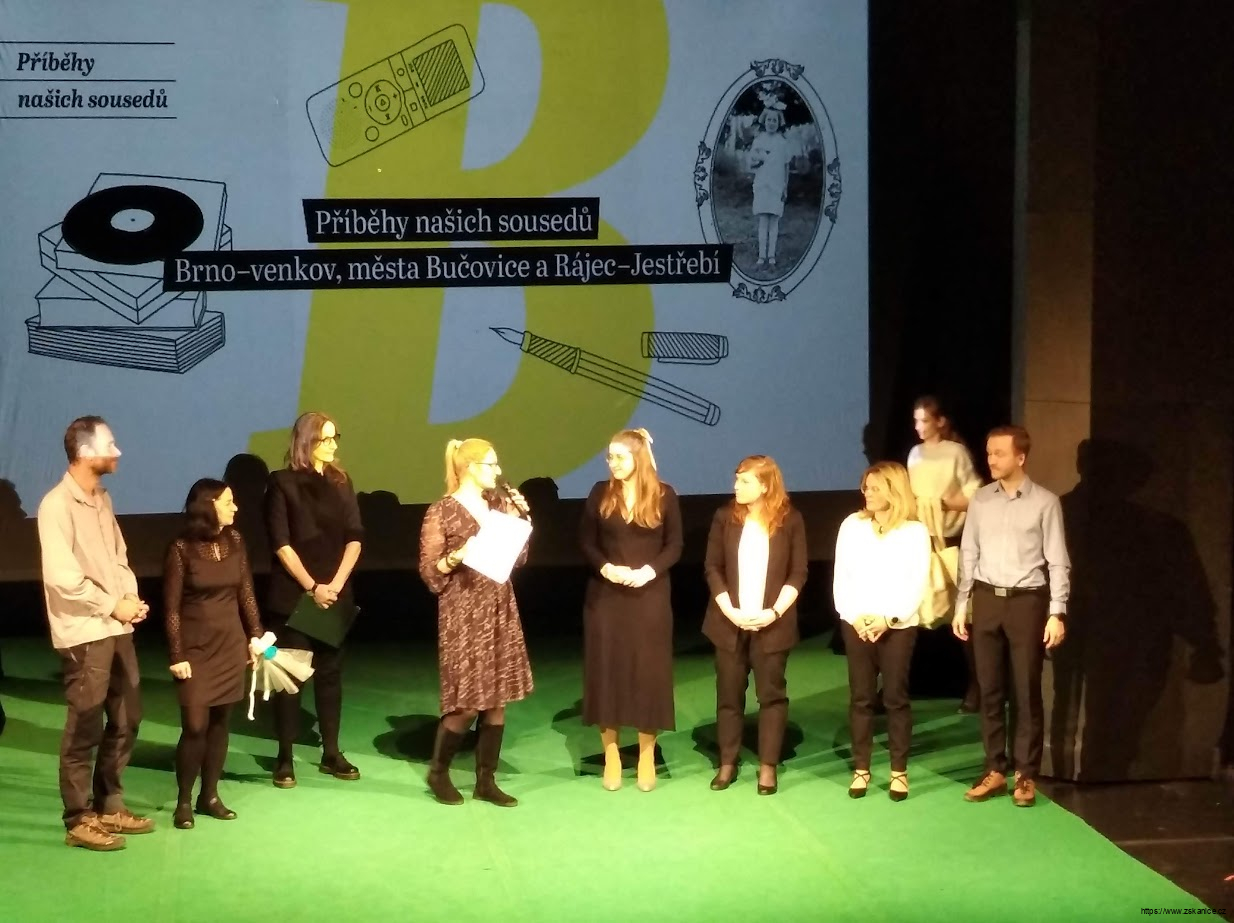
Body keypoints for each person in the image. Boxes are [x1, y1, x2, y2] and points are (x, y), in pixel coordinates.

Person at [36, 416, 154, 850]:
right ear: (85, 452)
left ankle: (109, 804)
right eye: (110, 444)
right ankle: (78, 818)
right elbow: (62, 578)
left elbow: (118, 556)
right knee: (85, 724)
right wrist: (111, 604)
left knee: (127, 717)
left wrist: (130, 597)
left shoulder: (102, 499)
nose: (117, 451)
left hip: (115, 625)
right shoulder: (56, 506)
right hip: (84, 631)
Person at [953, 425, 1069, 808]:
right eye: (989, 453)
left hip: (1027, 602)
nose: (991, 460)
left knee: (1026, 690)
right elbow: (968, 553)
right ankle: (994, 768)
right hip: (986, 598)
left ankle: (1025, 773)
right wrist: (961, 604)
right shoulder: (981, 500)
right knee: (989, 689)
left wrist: (1057, 612)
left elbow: (1058, 561)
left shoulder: (1045, 503)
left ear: (1020, 457)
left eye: (999, 453)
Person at [418, 439, 534, 807]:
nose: (497, 472)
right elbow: (429, 572)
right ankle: (439, 773)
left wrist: (521, 521)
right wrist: (456, 557)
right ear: (470, 467)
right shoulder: (442, 511)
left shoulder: (498, 505)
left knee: (496, 700)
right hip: (463, 613)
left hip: (498, 607)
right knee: (466, 703)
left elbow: (519, 559)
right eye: (491, 464)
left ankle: (486, 780)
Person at [579, 428, 682, 791]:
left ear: (638, 457)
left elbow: (675, 544)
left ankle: (646, 754)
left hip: (649, 596)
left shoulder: (665, 494)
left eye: (619, 457)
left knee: (648, 673)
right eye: (609, 457)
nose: (613, 463)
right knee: (607, 670)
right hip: (606, 597)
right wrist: (606, 567)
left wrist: (648, 572)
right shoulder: (600, 492)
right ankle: (611, 755)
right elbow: (586, 541)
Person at [263, 412, 363, 787]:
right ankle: (285, 757)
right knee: (292, 676)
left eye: (336, 437)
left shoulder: (341, 482)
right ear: (307, 442)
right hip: (295, 595)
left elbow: (355, 536)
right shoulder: (282, 483)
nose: (334, 445)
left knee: (330, 674)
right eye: (326, 439)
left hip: (334, 592)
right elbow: (281, 543)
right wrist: (312, 586)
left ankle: (331, 753)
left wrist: (334, 584)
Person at [702, 455, 807, 795]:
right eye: (736, 479)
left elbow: (798, 572)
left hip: (772, 624)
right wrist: (729, 610)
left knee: (771, 696)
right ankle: (727, 762)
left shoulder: (790, 520)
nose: (736, 486)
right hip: (729, 623)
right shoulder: (724, 517)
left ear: (764, 485)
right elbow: (713, 567)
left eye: (744, 481)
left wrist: (774, 612)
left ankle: (767, 766)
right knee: (729, 695)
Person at [164, 479, 264, 829]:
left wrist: (256, 636)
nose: (235, 507)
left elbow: (246, 593)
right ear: (209, 506)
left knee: (220, 723)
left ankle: (209, 796)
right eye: (228, 502)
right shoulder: (181, 549)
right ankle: (183, 801)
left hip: (230, 646)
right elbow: (172, 608)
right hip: (195, 649)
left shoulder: (235, 541)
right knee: (195, 726)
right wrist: (177, 654)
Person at [833, 461, 931, 801]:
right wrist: (854, 616)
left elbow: (917, 583)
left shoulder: (914, 532)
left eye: (875, 488)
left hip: (897, 626)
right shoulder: (852, 526)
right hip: (857, 625)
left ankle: (898, 771)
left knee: (895, 698)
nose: (868, 493)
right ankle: (861, 768)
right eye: (866, 487)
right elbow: (841, 578)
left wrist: (888, 618)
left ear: (895, 490)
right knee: (861, 697)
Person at [907, 395, 983, 711]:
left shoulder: (955, 453)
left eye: (924, 420)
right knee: (909, 613)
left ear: (940, 421)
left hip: (949, 542)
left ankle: (977, 686)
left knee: (964, 616)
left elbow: (974, 493)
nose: (919, 427)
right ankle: (897, 685)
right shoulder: (914, 454)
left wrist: (943, 504)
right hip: (919, 541)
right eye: (916, 420)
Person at [749, 104, 791, 271]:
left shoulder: (782, 143)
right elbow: (751, 163)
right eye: (769, 120)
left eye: (774, 120)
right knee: (763, 221)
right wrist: (757, 161)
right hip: (762, 185)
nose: (771, 123)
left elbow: (786, 166)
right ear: (764, 121)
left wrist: (785, 187)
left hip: (776, 185)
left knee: (774, 222)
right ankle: (761, 257)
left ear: (779, 122)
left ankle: (771, 257)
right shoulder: (759, 140)